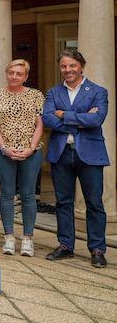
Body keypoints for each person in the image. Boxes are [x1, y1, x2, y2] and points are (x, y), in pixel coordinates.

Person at [43, 50, 109, 268]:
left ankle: (97, 249)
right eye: (64, 66)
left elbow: (97, 119)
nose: (68, 70)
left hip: (90, 154)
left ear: (81, 66)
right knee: (63, 202)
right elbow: (49, 119)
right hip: (61, 153)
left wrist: (65, 115)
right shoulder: (53, 93)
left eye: (72, 66)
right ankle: (65, 246)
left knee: (94, 203)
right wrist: (81, 118)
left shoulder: (98, 91)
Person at [0, 59, 44, 256]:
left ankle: (27, 239)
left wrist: (31, 148)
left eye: (19, 74)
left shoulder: (36, 95)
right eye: (11, 72)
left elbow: (40, 125)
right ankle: (9, 237)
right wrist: (3, 147)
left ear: (26, 76)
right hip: (3, 152)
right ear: (6, 73)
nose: (14, 76)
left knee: (28, 195)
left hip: (31, 153)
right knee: (7, 194)